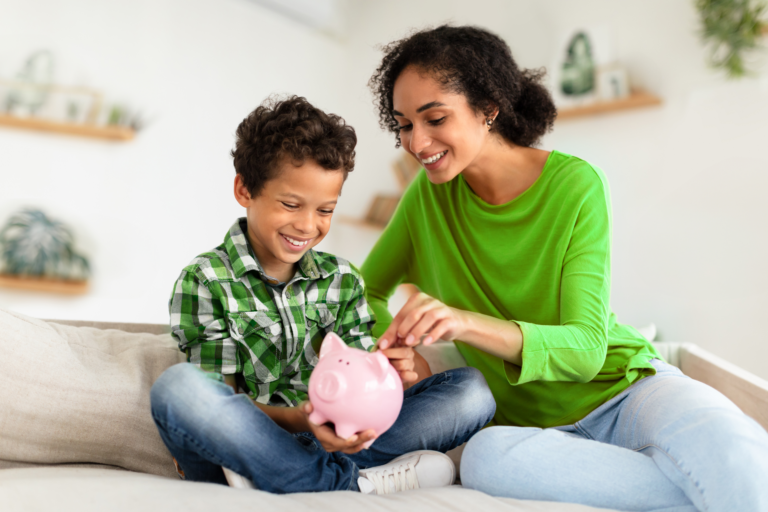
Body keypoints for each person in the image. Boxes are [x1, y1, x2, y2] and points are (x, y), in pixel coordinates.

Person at [362, 25, 768, 511]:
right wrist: (398, 356)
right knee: (483, 458)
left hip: (628, 395)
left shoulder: (575, 185)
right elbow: (361, 291)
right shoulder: (426, 199)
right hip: (530, 433)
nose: (416, 141)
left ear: (488, 108)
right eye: (405, 124)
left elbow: (587, 349)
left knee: (732, 448)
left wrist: (466, 323)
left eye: (435, 118)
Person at [149, 95, 495, 495]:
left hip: (335, 442)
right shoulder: (205, 280)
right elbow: (222, 401)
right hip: (254, 442)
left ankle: (303, 477)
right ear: (245, 189)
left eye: (325, 210)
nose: (307, 225)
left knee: (471, 392)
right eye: (291, 204)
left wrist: (389, 376)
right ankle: (346, 484)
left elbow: (359, 386)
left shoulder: (342, 280)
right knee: (177, 389)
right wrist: (300, 420)